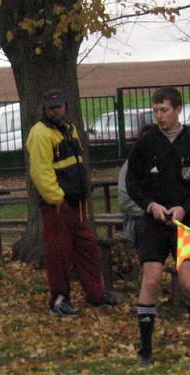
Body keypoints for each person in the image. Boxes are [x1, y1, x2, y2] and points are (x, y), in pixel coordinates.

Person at [126, 85, 190, 362]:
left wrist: (184, 208)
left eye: (164, 110)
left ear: (177, 109)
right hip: (153, 224)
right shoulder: (146, 143)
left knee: (189, 283)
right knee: (151, 279)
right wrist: (151, 206)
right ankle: (146, 348)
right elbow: (132, 183)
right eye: (155, 111)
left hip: (186, 224)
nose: (159, 116)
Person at [26, 88, 120, 317]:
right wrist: (56, 198)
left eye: (58, 106)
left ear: (65, 107)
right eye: (51, 107)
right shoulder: (40, 133)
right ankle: (59, 299)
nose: (56, 111)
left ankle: (96, 294)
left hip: (75, 201)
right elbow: (40, 171)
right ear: (45, 109)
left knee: (86, 247)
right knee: (59, 252)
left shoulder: (69, 130)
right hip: (58, 203)